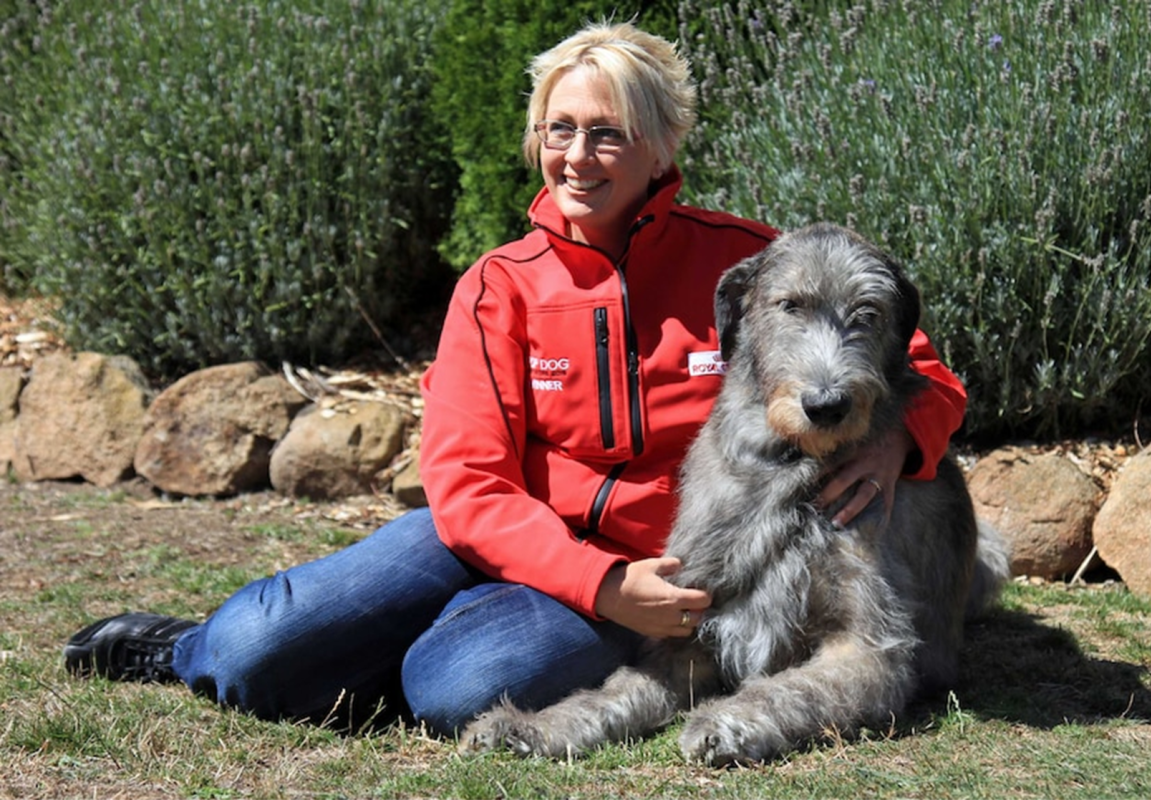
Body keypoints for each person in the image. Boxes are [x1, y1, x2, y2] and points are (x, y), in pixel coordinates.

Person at [63, 21, 967, 737]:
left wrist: (899, 440)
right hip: (499, 541)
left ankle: (381, 663)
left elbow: (914, 368)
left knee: (460, 686)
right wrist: (591, 583)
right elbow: (464, 482)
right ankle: (189, 652)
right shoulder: (500, 284)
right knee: (253, 644)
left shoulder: (753, 265)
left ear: (662, 144)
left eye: (608, 134)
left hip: (654, 574)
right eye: (559, 130)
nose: (578, 156)